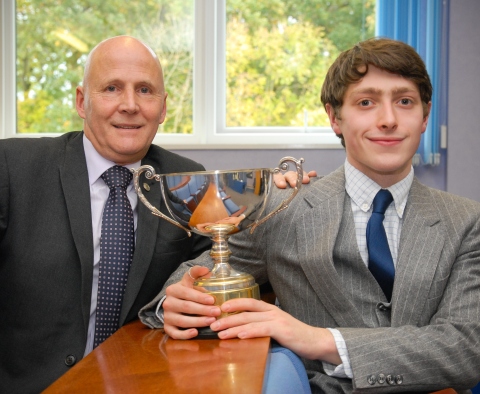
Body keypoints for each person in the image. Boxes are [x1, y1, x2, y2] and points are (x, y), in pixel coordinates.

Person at [139, 38, 480, 393]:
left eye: (404, 102)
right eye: (366, 102)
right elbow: (195, 278)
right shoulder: (281, 208)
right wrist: (178, 304)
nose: (388, 120)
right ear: (335, 117)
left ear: (425, 117)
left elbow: (467, 348)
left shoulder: (467, 222)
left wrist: (314, 339)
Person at [0, 35, 313, 393]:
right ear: (82, 102)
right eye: (112, 88)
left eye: (145, 90)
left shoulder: (186, 180)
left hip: (142, 378)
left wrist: (278, 200)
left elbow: (229, 261)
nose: (130, 105)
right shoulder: (13, 168)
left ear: (163, 108)